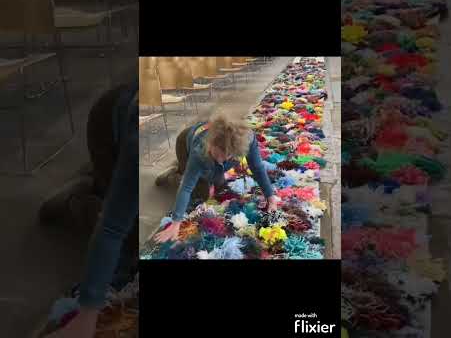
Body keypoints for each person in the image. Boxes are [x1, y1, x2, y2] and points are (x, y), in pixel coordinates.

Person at [44, 81, 139, 338]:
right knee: (130, 238)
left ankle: (97, 178)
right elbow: (112, 227)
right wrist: (88, 313)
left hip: (130, 126)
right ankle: (75, 199)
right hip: (107, 124)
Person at [154, 113, 279, 243]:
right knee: (200, 193)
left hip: (207, 155)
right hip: (185, 143)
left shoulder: (247, 140)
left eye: (227, 156)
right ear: (211, 144)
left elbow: (257, 168)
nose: (221, 160)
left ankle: (187, 168)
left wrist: (271, 197)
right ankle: (173, 174)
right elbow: (186, 187)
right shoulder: (199, 151)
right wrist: (175, 223)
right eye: (218, 154)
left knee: (219, 183)